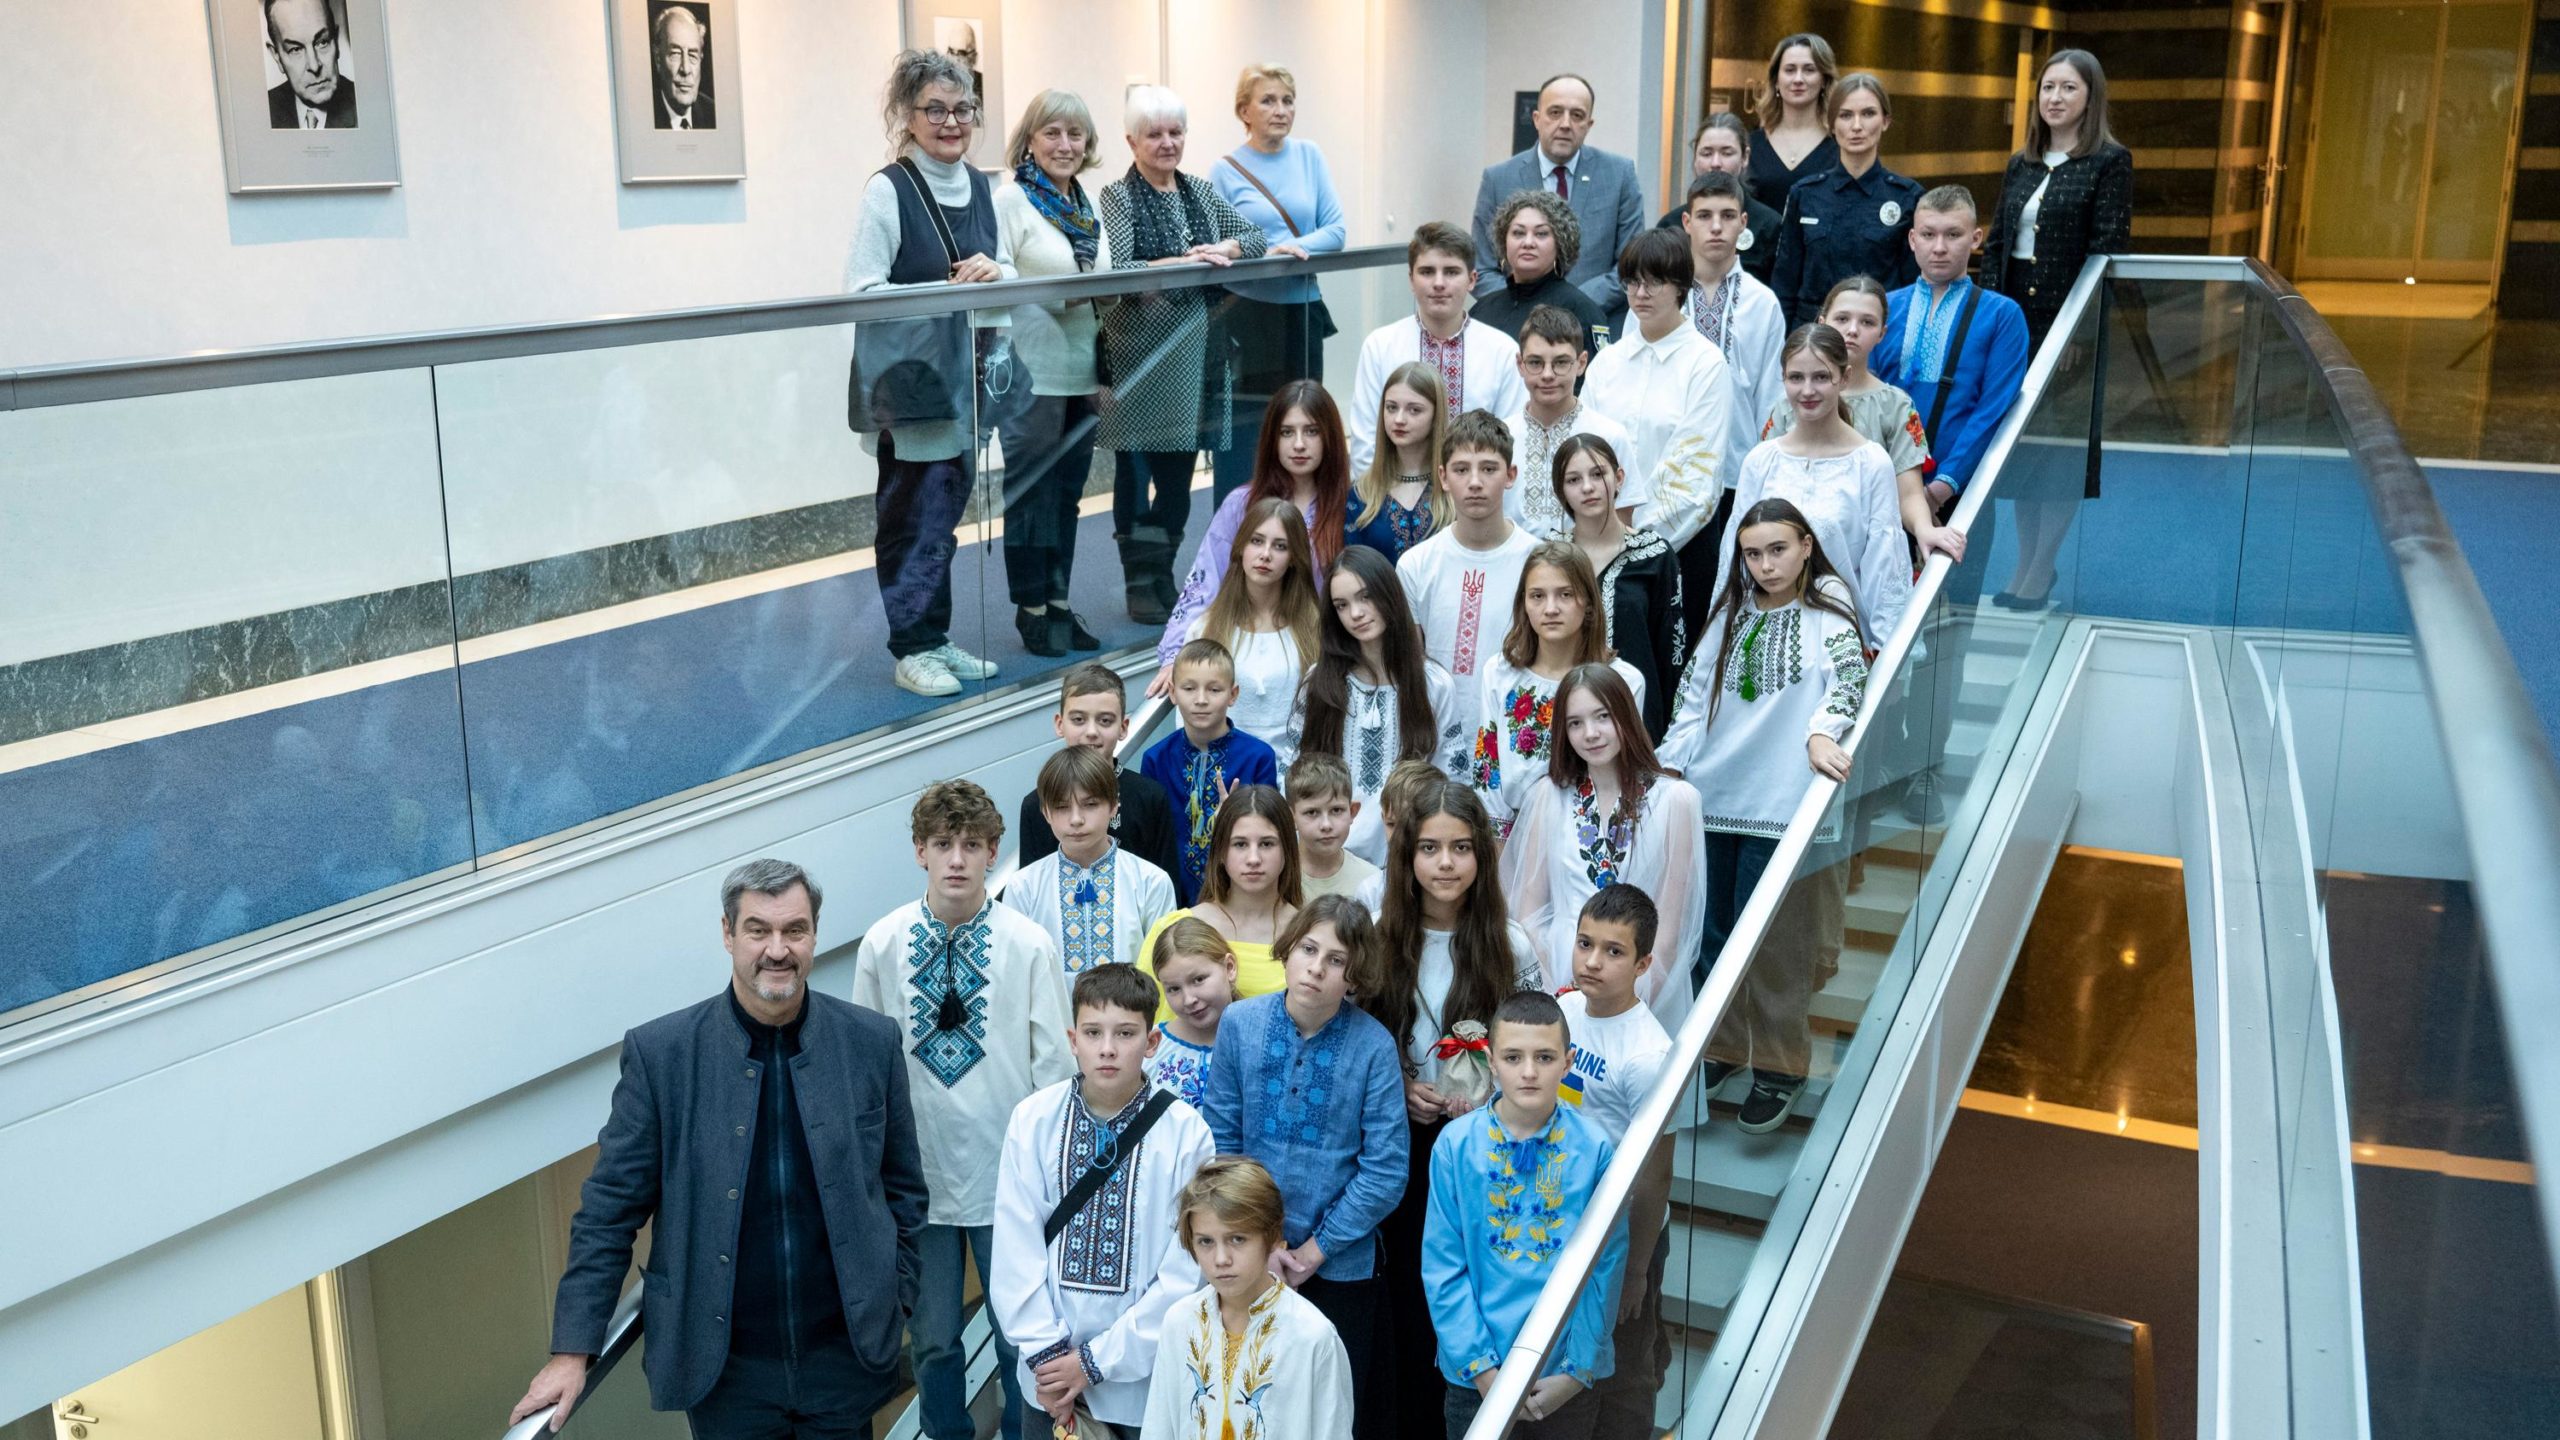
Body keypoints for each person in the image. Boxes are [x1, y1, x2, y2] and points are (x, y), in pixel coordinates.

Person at [511, 861, 928, 1437]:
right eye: (758, 930)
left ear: (814, 935)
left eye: (794, 930)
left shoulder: (870, 1042)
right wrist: (571, 1351)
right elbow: (608, 1213)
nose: (777, 950)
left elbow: (904, 1188)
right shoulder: (663, 1056)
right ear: (728, 935)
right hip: (725, 1374)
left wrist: (894, 1295)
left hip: (844, 1361)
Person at [848, 782, 1075, 1440]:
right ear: (919, 851)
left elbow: (1056, 1071)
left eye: (971, 845)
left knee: (1016, 1339)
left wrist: (1047, 1174)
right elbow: (866, 1072)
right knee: (937, 1342)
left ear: (992, 852)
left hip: (1010, 1179)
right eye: (943, 844)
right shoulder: (883, 943)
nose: (956, 858)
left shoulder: (1028, 943)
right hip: (918, 1180)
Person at [1661, 499, 1869, 1134]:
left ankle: (1781, 1065)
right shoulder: (1730, 612)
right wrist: (1670, 766)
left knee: (1776, 946)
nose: (1765, 563)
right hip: (1713, 798)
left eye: (1778, 549)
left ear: (1807, 545)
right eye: (1753, 553)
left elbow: (1851, 679)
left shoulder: (1828, 609)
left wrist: (1821, 732)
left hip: (1782, 804)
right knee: (1712, 939)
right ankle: (1722, 1050)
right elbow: (1693, 700)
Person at [1364, 780, 1543, 1439]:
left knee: (1466, 1301)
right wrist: (1400, 1083)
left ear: (1482, 856)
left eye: (1461, 848)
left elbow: (1530, 1047)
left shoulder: (1511, 944)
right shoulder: (1380, 934)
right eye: (1430, 848)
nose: (1445, 864)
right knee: (1407, 1302)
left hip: (1482, 1151)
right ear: (1406, 856)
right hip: (1402, 1146)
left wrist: (1492, 1094)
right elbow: (1361, 1035)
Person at [1200, 896, 1411, 1440]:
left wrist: (1314, 1252)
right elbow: (1221, 1142)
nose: (1316, 967)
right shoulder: (1241, 1025)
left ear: (1355, 975)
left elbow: (1386, 1171)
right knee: (1249, 1410)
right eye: (1308, 949)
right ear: (1287, 952)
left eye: (1336, 959)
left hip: (1340, 1269)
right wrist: (1262, 1246)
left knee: (1329, 1415)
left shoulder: (1374, 1046)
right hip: (1248, 1260)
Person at [846, 50, 1016, 698]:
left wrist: (994, 272)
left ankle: (935, 635)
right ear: (908, 116)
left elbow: (1005, 265)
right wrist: (940, 289)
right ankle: (909, 646)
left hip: (967, 381)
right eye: (935, 110)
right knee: (907, 517)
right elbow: (861, 288)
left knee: (943, 515)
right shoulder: (887, 189)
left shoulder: (982, 185)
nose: (951, 121)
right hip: (910, 386)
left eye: (962, 109)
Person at [989, 964, 1216, 1438]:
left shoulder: (1185, 1132)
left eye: (1126, 1033)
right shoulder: (1033, 1120)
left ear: (1152, 1043)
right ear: (1073, 1039)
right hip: (1047, 1381)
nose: (1108, 1048)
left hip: (1141, 1384)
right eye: (1093, 1032)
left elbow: (1186, 1271)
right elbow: (1015, 1248)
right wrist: (1049, 1359)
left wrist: (1095, 1363)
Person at [1099, 85, 1272, 624]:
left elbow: (1255, 237)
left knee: (1178, 481)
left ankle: (1161, 570)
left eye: (1176, 133)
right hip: (1139, 360)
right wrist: (1182, 261)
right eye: (1155, 134)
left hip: (1197, 357)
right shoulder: (1116, 197)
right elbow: (1121, 268)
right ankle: (1138, 579)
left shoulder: (1199, 190)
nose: (1167, 143)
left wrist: (1224, 249)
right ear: (1131, 141)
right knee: (1134, 476)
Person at [1424, 989, 1628, 1439]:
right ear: (1491, 1060)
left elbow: (1606, 1265)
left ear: (1568, 1061)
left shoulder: (1595, 1150)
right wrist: (1483, 1372)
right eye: (1513, 1057)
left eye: (1545, 1056)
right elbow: (1442, 1266)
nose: (1529, 1071)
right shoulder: (1455, 1146)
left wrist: (1576, 1372)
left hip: (1562, 1377)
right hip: (1476, 1375)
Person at [1980, 48, 2133, 609]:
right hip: (2015, 318)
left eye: (2068, 88)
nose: (2055, 98)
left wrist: (2081, 333)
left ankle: (2041, 570)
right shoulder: (2021, 164)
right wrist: (1992, 321)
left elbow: (2107, 253)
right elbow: (1998, 242)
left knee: (2061, 455)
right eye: (2048, 88)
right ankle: (2025, 567)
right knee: (2025, 453)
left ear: (2090, 97)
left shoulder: (2110, 162)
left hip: (2069, 324)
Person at [1499, 663, 1705, 1030]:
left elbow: (1671, 927)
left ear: (1625, 715)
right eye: (1575, 723)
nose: (1590, 734)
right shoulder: (1548, 796)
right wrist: (1554, 997)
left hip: (1643, 980)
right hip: (1560, 972)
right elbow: (1527, 911)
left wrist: (1629, 1004)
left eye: (1602, 717)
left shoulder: (1677, 800)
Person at [1554, 887, 1678, 1440]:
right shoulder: (1562, 1010)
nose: (1592, 962)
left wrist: (1635, 1269)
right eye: (1585, 944)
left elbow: (1656, 1175)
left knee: (1626, 1370)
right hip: (1562, 1216)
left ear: (1644, 963)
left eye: (1613, 951)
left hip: (1625, 1236)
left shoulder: (1649, 1055)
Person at [995, 90, 1112, 657]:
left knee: (1067, 497)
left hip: (1081, 375)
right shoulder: (1009, 201)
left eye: (1076, 135)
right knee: (1030, 495)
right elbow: (1002, 282)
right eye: (1053, 134)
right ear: (1030, 140)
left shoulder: (1087, 207)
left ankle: (1060, 603)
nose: (1065, 145)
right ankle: (1031, 608)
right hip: (1030, 375)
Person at [1144, 1157, 1359, 1440]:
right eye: (1206, 1241)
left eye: (1237, 1239)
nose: (1221, 1259)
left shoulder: (1313, 1337)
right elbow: (1158, 1428)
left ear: (1271, 1238)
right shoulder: (1179, 1323)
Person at [1155, 382, 1355, 682]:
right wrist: (1175, 656)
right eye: (1287, 432)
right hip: (1249, 661)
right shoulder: (1242, 504)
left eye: (1311, 431)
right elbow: (1204, 583)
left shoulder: (1351, 507)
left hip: (1326, 664)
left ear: (1329, 437)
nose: (1298, 444)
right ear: (1272, 439)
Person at [1727, 325, 1914, 646]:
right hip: (1764, 638)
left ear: (1844, 377)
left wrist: (1885, 651)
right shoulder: (1760, 461)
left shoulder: (1870, 463)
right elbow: (1734, 558)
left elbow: (1885, 567)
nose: (1808, 390)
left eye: (1821, 377)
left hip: (1839, 639)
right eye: (1796, 378)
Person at [1213, 63, 1348, 499]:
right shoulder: (1225, 169)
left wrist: (1292, 246)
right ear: (1244, 111)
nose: (1280, 110)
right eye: (1268, 100)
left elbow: (1336, 231)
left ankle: (1307, 522)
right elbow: (1219, 242)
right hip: (1247, 316)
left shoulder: (1309, 155)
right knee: (1254, 436)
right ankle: (1244, 527)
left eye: (1287, 101)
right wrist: (1263, 251)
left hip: (1302, 310)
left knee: (1306, 427)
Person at [1579, 229, 1729, 574]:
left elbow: (1697, 471)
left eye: (1654, 283)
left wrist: (1635, 540)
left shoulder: (1705, 364)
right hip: (1600, 545)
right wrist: (1603, 535)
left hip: (1678, 548)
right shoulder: (1607, 363)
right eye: (1633, 282)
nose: (1641, 294)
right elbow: (1583, 449)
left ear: (1680, 286)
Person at [1468, 541, 1646, 832]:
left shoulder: (1624, 680)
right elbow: (1488, 771)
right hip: (1514, 832)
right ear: (1523, 603)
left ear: (1588, 601)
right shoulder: (1500, 673)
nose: (1550, 608)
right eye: (1537, 596)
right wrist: (1498, 848)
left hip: (1590, 833)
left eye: (1565, 594)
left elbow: (1624, 772)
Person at [1299, 545, 1461, 862]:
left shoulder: (1433, 683)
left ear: (1389, 594)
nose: (1356, 613)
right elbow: (1293, 768)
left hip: (1410, 857)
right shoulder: (1319, 682)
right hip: (1330, 858)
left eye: (1365, 597)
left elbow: (1451, 777)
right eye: (1341, 605)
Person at [1398, 410, 1542, 759]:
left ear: (1510, 475)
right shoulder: (1416, 564)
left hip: (1516, 741)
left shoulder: (1538, 561)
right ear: (1444, 477)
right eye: (1462, 470)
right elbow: (1410, 665)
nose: (1475, 482)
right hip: (1435, 742)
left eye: (1489, 469)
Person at [1679, 170, 1789, 595]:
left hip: (1738, 474)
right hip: (1671, 473)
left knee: (1729, 593)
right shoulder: (1660, 297)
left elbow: (1772, 399)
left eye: (1727, 215)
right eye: (1704, 215)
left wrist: (1763, 477)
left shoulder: (1763, 303)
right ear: (1686, 223)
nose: (1716, 226)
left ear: (1744, 223)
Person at [1348, 224, 1530, 475]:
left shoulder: (1502, 351)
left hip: (1476, 502)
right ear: (1411, 279)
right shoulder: (1380, 346)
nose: (1439, 283)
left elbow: (1513, 443)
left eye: (1452, 272)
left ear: (1472, 279)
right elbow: (1366, 442)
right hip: (1394, 501)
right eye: (1427, 272)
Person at [1470, 74, 1646, 322]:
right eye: (1555, 112)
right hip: (1515, 328)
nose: (1565, 124)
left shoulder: (1619, 175)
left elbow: (1632, 264)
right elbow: (1482, 266)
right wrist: (1522, 307)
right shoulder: (1498, 179)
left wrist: (1571, 304)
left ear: (1589, 124)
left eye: (1577, 115)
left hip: (1596, 321)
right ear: (1536, 119)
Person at [1003, 747, 1177, 975]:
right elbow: (1016, 972)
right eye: (1062, 807)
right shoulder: (1023, 886)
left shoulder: (1151, 882)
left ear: (1114, 806)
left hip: (1135, 1010)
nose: (1076, 819)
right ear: (1045, 812)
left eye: (1090, 804)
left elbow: (1165, 972)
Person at [1553, 435, 1683, 739]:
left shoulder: (1655, 555)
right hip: (1567, 720)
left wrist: (1670, 740)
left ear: (1619, 477)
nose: (1588, 487)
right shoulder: (1551, 558)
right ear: (1561, 491)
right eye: (1574, 479)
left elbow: (1672, 654)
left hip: (1638, 719)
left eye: (1598, 474)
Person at [1769, 74, 1921, 329]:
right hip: (1813, 336)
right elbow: (1785, 282)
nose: (1857, 125)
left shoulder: (1907, 197)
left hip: (1880, 336)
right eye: (1846, 115)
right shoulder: (1805, 194)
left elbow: (1914, 288)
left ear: (1885, 121)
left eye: (1868, 114)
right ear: (1831, 124)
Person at [1179, 497, 1324, 763]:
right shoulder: (1205, 629)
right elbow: (1187, 726)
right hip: (1223, 780)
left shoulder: (1316, 629)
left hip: (1297, 784)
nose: (1265, 554)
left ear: (1294, 558)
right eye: (1256, 541)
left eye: (1280, 546)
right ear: (1241, 548)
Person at [1141, 639, 1284, 904]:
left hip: (1243, 895)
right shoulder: (1156, 759)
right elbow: (1153, 838)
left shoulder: (1258, 757)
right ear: (1172, 692)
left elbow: (1271, 833)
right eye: (1189, 688)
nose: (1201, 700)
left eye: (1214, 689)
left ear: (1233, 694)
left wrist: (1235, 818)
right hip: (1174, 897)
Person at [1016, 663, 1184, 884]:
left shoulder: (1150, 797)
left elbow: (1167, 884)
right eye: (1078, 720)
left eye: (1105, 721)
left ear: (1123, 727)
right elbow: (1030, 885)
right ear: (1060, 724)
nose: (1092, 732)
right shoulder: (1036, 804)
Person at [1137, 782, 1304, 1003]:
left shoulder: (1309, 934)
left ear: (1287, 850)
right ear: (1221, 852)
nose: (1253, 859)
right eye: (1240, 844)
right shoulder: (1172, 930)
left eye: (1266, 844)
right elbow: (1144, 1019)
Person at [1504, 305, 1642, 541]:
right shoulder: (1501, 438)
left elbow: (1622, 522)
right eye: (1535, 363)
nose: (1548, 374)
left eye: (1561, 362)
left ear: (1581, 363)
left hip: (1587, 571)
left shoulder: (1609, 435)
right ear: (1520, 364)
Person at [1470, 189, 1611, 355]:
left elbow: (1598, 378)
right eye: (1518, 233)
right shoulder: (1482, 309)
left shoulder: (1581, 311)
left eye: (1541, 234)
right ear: (1504, 241)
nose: (1528, 242)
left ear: (1560, 244)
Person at [1658, 115, 1779, 288]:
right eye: (1706, 153)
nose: (1715, 163)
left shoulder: (1769, 225)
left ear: (1745, 157)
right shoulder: (1671, 225)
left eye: (1726, 153)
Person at [1347, 364, 1453, 562]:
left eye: (1414, 410)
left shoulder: (1454, 488)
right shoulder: (1361, 493)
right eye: (1391, 408)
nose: (1399, 419)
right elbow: (1351, 571)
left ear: (1435, 416)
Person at [1145, 917, 1239, 1107]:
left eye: (1198, 979)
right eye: (1173, 989)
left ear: (1229, 968)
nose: (1188, 1000)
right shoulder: (1149, 1050)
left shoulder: (1261, 1042)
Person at [1745, 33, 1838, 213]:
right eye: (1789, 70)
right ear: (1776, 81)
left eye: (1809, 70)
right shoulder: (1750, 145)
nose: (1798, 79)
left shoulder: (1840, 146)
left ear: (1824, 80)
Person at [1291, 752, 1383, 900]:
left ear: (1352, 812)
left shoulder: (1372, 882)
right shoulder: (1275, 877)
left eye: (1336, 810)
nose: (1326, 825)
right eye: (1312, 812)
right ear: (1291, 817)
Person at [265, 0, 358, 130]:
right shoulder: (261, 111)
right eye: (295, 49)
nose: (314, 67)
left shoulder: (364, 106)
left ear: (336, 42)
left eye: (322, 42)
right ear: (277, 57)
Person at [649, 3, 712, 130]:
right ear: (658, 59)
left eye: (693, 55)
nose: (686, 69)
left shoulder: (712, 112)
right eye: (676, 54)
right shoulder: (644, 115)